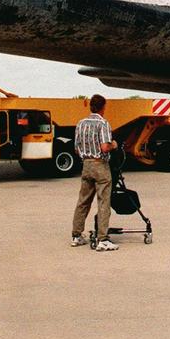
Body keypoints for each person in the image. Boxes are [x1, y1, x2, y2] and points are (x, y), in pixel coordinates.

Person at [71, 94, 119, 252]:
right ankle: (103, 239)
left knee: (83, 201)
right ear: (103, 107)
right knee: (104, 201)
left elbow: (77, 149)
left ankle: (76, 235)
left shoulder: (81, 123)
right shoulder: (103, 123)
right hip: (100, 165)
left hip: (86, 164)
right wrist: (114, 145)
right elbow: (104, 147)